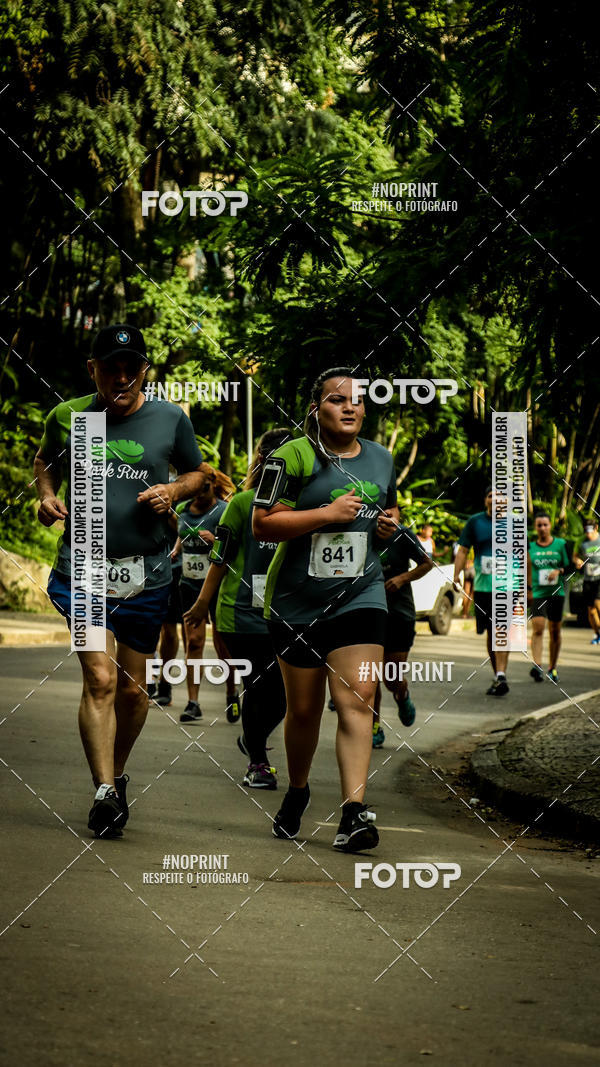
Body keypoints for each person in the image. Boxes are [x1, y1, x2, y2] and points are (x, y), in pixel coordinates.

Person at [35, 324, 207, 838]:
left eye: (132, 368)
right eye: (111, 368)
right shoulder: (72, 417)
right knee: (101, 679)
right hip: (84, 568)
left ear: (144, 372)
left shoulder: (170, 418)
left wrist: (174, 491)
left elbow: (198, 473)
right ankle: (104, 791)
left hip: (146, 574)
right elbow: (45, 462)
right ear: (94, 370)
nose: (123, 377)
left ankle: (116, 771)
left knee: (133, 693)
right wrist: (46, 496)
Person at [253, 368, 399, 852]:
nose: (350, 406)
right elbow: (261, 524)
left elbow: (388, 509)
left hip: (361, 593)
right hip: (296, 602)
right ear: (317, 410)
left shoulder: (381, 458)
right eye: (338, 400)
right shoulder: (291, 456)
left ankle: (353, 812)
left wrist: (387, 525)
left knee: (358, 697)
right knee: (304, 711)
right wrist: (326, 515)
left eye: (358, 399)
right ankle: (298, 790)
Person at [183, 429, 291, 787]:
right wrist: (202, 604)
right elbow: (220, 556)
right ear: (264, 463)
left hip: (287, 614)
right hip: (241, 613)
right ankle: (258, 763)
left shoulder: (303, 505)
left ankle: (251, 739)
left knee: (284, 697)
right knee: (257, 686)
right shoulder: (242, 503)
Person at [174, 467, 239, 722]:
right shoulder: (182, 510)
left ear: (212, 483)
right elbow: (180, 534)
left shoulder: (224, 511)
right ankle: (193, 702)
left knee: (223, 645)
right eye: (195, 490)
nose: (199, 495)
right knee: (194, 642)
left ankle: (232, 693)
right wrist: (177, 549)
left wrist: (214, 540)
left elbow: (235, 548)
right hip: (189, 584)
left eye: (204, 489)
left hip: (217, 586)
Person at [372, 522, 433, 745]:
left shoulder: (401, 533)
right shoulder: (357, 530)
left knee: (391, 678)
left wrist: (401, 579)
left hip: (399, 613)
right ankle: (373, 727)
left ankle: (401, 694)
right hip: (368, 613)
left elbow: (427, 563)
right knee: (368, 677)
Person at [453, 487, 510, 696]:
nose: (494, 499)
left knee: (501, 629)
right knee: (491, 632)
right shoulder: (475, 522)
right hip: (484, 587)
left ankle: (501, 673)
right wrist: (456, 575)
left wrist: (527, 586)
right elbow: (463, 550)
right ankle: (498, 674)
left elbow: (524, 555)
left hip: (508, 586)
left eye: (499, 496)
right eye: (490, 495)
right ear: (486, 500)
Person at [527, 512, 570, 683]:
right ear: (535, 527)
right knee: (538, 628)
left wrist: (558, 570)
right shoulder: (530, 547)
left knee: (555, 631)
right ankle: (537, 666)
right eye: (539, 525)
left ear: (550, 526)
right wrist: (527, 590)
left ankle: (552, 668)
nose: (542, 528)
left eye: (545, 525)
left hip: (556, 594)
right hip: (537, 593)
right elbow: (524, 569)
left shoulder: (560, 544)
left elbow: (570, 566)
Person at [573, 518, 600, 644]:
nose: (588, 534)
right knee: (591, 610)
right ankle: (597, 635)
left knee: (598, 604)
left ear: (596, 528)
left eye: (590, 531)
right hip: (588, 578)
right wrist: (577, 561)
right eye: (586, 531)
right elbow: (575, 556)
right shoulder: (581, 541)